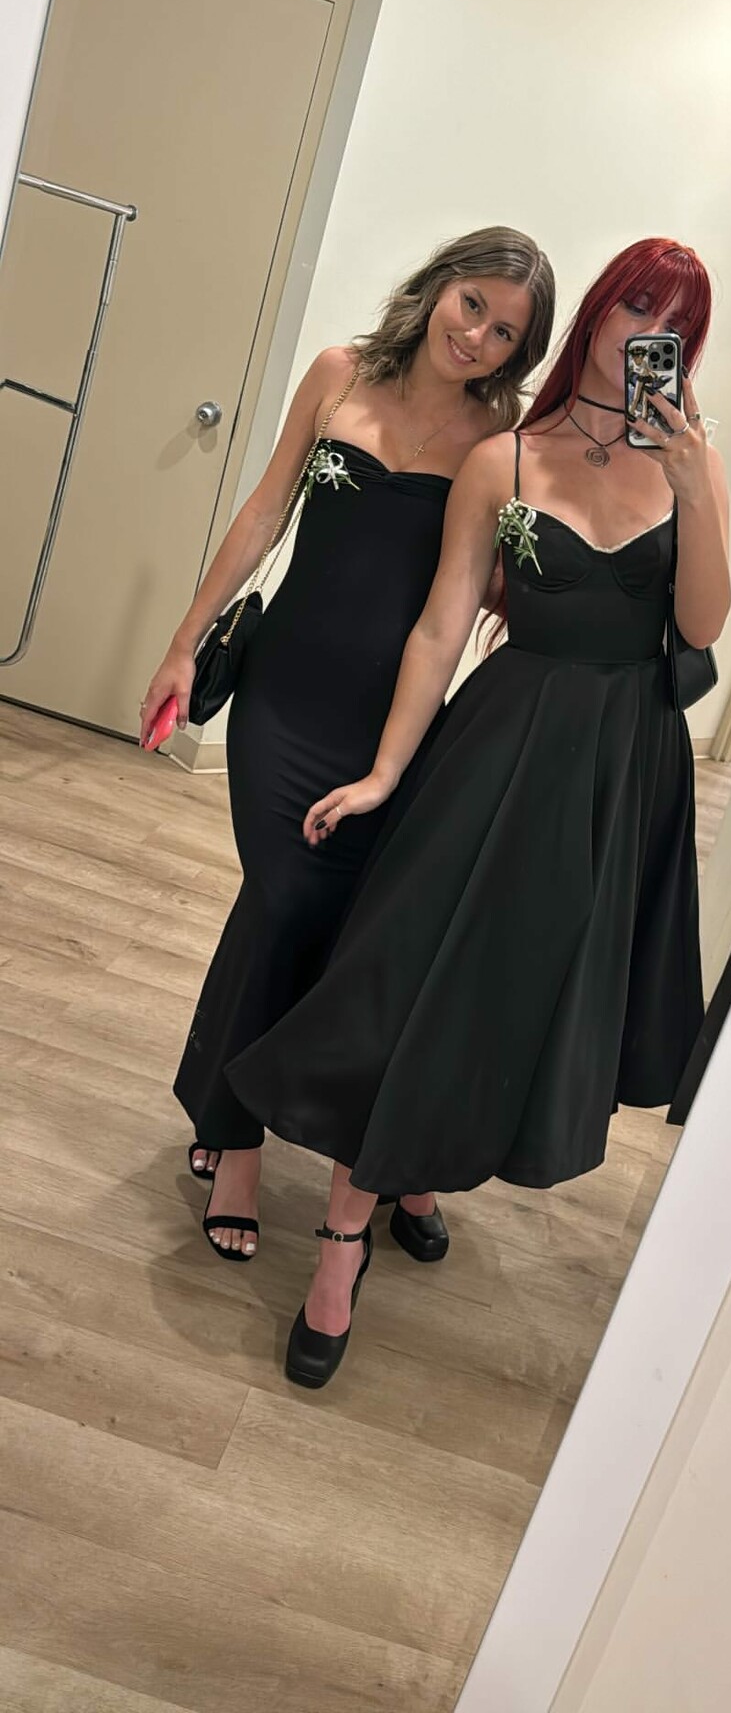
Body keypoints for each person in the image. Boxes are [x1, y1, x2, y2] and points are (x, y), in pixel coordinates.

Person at [225, 237, 731, 1388]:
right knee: (414, 975)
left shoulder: (696, 464)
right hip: (500, 747)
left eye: (677, 323)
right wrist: (385, 772)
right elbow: (442, 623)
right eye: (637, 306)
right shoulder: (504, 458)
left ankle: (418, 1168)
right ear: (598, 313)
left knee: (517, 986)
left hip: (622, 769)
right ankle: (342, 1241)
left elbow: (701, 628)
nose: (650, 333)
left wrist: (697, 489)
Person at [139, 227, 555, 1265]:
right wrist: (185, 642)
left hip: (390, 722)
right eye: (473, 305)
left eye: (506, 332)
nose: (478, 337)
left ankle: (220, 1099)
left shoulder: (499, 441)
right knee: (284, 897)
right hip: (284, 693)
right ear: (440, 287)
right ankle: (237, 1146)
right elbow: (262, 514)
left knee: (315, 918)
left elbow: (478, 593)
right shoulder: (340, 374)